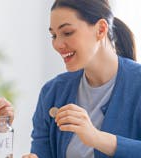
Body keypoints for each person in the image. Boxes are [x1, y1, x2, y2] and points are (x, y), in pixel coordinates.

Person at [23, 0, 140, 158]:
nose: (57, 44)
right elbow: (40, 153)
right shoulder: (52, 92)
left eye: (68, 32)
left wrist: (96, 137)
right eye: (54, 35)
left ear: (101, 29)